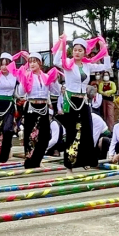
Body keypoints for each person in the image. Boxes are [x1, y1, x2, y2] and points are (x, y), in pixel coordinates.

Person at [53, 35, 111, 173]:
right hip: (71, 100)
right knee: (72, 132)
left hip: (84, 101)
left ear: (85, 52)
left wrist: (104, 49)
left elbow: (107, 66)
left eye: (80, 50)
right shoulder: (67, 63)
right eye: (75, 50)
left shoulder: (87, 66)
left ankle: (85, 161)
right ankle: (69, 167)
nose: (77, 52)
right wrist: (62, 42)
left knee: (87, 131)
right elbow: (56, 60)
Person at [16, 52, 59, 168]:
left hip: (43, 107)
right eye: (30, 62)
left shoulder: (46, 77)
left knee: (44, 136)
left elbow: (56, 92)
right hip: (31, 107)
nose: (32, 64)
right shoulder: (27, 75)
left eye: (35, 61)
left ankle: (38, 159)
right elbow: (20, 93)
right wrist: (23, 80)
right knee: (30, 136)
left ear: (40, 63)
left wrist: (54, 80)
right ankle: (30, 162)